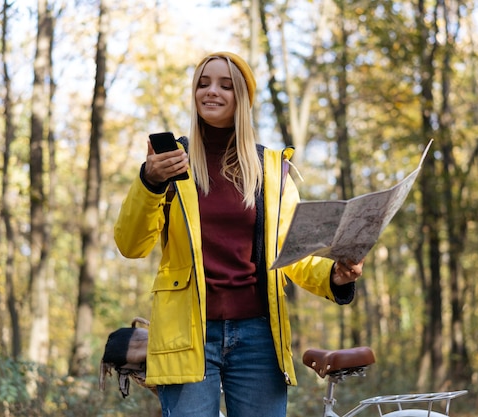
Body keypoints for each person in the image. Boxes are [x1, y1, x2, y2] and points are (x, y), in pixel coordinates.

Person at [114, 51, 365, 417]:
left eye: (225, 85)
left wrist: (334, 276)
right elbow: (131, 245)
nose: (211, 92)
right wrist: (149, 183)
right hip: (187, 332)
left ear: (243, 98)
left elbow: (289, 254)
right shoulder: (170, 166)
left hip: (258, 338)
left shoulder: (271, 170)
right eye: (203, 83)